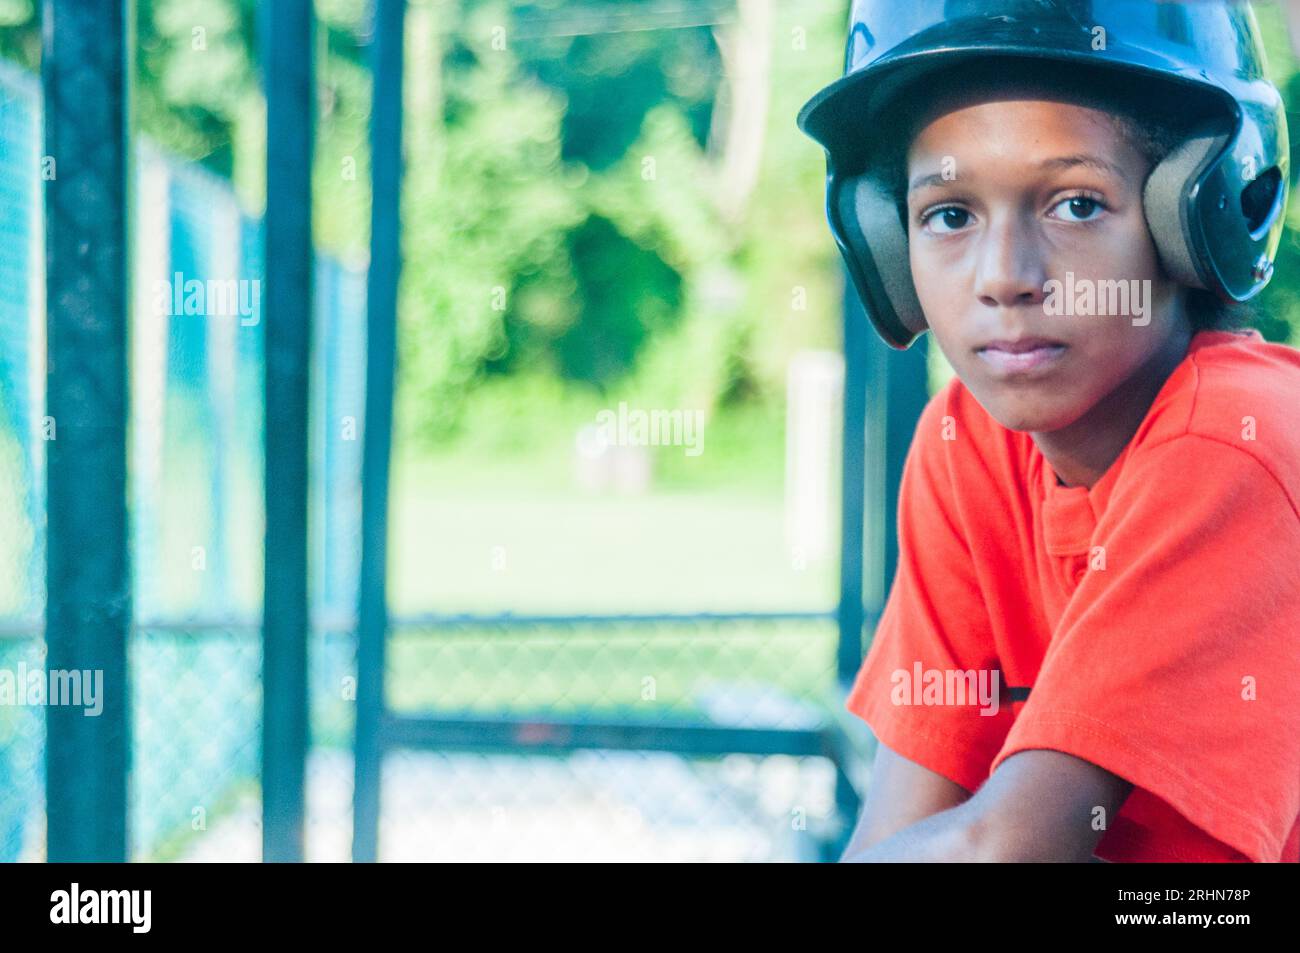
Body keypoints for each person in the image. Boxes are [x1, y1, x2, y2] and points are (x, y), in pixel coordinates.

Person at [798, 0, 1300, 862]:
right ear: (887, 239)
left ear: (1198, 213)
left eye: (1073, 204)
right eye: (949, 214)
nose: (1005, 276)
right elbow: (898, 830)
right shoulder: (967, 446)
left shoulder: (1236, 442)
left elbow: (1003, 850)